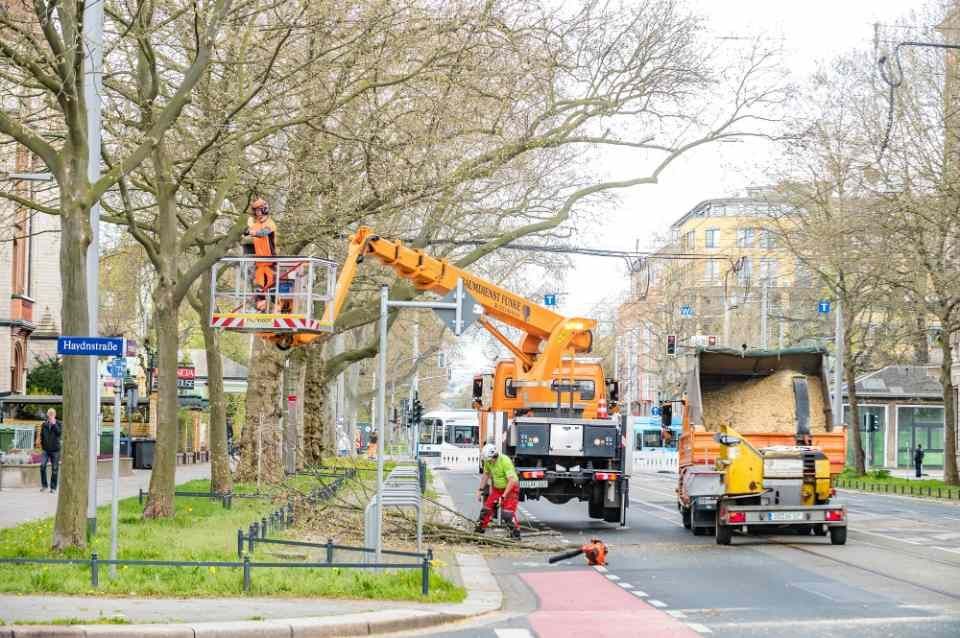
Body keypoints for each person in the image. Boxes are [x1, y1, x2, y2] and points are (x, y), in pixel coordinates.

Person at [474, 443, 521, 539]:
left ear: (494, 456)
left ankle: (515, 534)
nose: (489, 462)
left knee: (507, 514)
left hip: (511, 488)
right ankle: (479, 530)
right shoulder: (488, 461)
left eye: (490, 460)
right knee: (486, 509)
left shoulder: (505, 461)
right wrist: (480, 490)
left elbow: (512, 480)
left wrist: (503, 496)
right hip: (497, 488)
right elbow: (486, 475)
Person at [242, 198, 278, 312]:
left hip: (270, 261)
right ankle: (261, 309)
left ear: (265, 209)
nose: (257, 213)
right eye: (255, 211)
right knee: (259, 288)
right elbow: (246, 232)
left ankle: (276, 308)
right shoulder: (255, 224)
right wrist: (245, 229)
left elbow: (263, 233)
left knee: (272, 287)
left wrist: (251, 232)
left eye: (259, 210)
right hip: (259, 262)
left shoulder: (270, 223)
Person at [39, 408, 62, 493]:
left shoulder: (59, 423)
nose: (51, 416)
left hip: (55, 450)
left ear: (55, 415)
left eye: (52, 414)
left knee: (55, 469)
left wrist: (54, 424)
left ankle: (53, 488)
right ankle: (44, 485)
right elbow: (41, 435)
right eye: (50, 414)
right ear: (48, 415)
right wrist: (42, 445)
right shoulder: (44, 424)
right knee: (42, 466)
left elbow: (59, 433)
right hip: (45, 450)